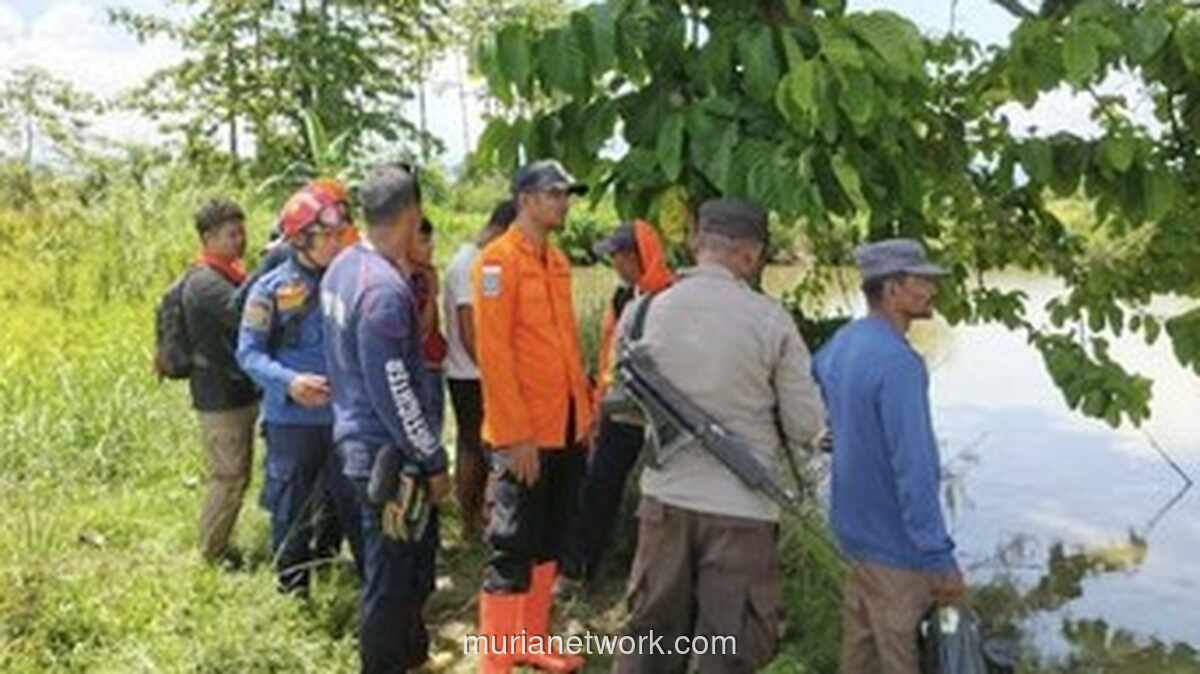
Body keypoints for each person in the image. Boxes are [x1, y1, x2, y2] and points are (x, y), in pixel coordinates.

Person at [610, 199, 826, 674]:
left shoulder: (641, 312)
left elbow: (621, 405)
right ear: (751, 255)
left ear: (695, 243)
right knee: (724, 654)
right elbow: (807, 427)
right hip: (741, 511)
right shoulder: (771, 322)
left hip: (663, 503)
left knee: (651, 644)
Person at [812, 239, 966, 674]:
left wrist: (840, 433)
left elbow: (816, 388)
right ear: (893, 288)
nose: (932, 290)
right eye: (923, 281)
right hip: (896, 549)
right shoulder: (899, 363)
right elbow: (914, 468)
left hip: (853, 536)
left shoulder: (841, 344)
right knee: (900, 659)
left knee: (859, 657)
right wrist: (938, 557)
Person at [321, 164, 451, 674]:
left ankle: (412, 658)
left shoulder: (344, 265)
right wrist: (432, 458)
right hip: (386, 456)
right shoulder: (384, 292)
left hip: (353, 438)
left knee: (404, 567)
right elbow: (395, 391)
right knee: (389, 578)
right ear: (412, 214)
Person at [473, 160, 592, 674]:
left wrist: (585, 416)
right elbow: (495, 357)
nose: (563, 202)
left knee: (550, 539)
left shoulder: (558, 260)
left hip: (566, 427)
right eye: (554, 194)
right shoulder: (496, 263)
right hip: (524, 434)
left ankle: (531, 640)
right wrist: (516, 436)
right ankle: (496, 663)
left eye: (567, 195)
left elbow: (565, 349)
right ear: (525, 200)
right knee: (512, 546)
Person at [236, 181, 363, 593]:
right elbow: (249, 354)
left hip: (345, 418)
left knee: (351, 502)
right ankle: (293, 591)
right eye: (324, 235)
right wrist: (289, 382)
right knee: (291, 507)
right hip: (292, 420)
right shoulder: (269, 290)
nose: (334, 242)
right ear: (299, 238)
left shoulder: (351, 282)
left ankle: (353, 580)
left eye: (337, 234)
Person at [562, 219, 674, 587]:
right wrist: (596, 410)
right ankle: (579, 569)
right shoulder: (621, 298)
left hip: (664, 416)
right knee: (599, 487)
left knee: (665, 497)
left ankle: (652, 574)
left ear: (633, 256)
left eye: (617, 256)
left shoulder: (674, 299)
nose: (614, 264)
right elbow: (608, 354)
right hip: (621, 411)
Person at [181, 198, 259, 565]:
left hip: (234, 390)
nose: (240, 240)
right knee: (228, 476)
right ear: (208, 238)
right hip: (220, 395)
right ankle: (210, 555)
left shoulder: (228, 274)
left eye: (242, 232)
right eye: (232, 234)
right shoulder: (206, 283)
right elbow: (245, 314)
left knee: (237, 474)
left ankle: (219, 547)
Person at [443, 200, 517, 539]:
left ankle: (476, 520)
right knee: (475, 446)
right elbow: (469, 326)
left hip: (475, 371)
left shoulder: (481, 262)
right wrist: (493, 372)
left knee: (475, 444)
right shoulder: (468, 263)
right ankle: (471, 521)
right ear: (504, 228)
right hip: (471, 373)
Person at [409, 217, 449, 438]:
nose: (431, 246)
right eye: (424, 241)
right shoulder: (408, 280)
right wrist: (433, 293)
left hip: (432, 364)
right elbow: (421, 331)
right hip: (421, 368)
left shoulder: (423, 275)